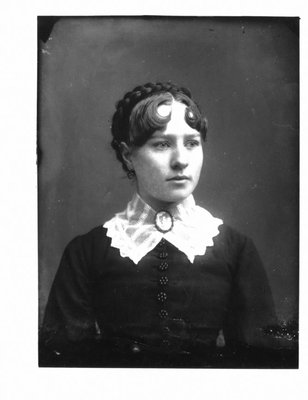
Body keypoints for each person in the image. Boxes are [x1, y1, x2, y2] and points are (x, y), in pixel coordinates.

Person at [40, 81, 288, 368]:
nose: (181, 160)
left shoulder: (236, 248)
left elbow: (261, 366)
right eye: (161, 144)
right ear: (126, 155)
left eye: (192, 143)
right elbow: (62, 366)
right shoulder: (86, 252)